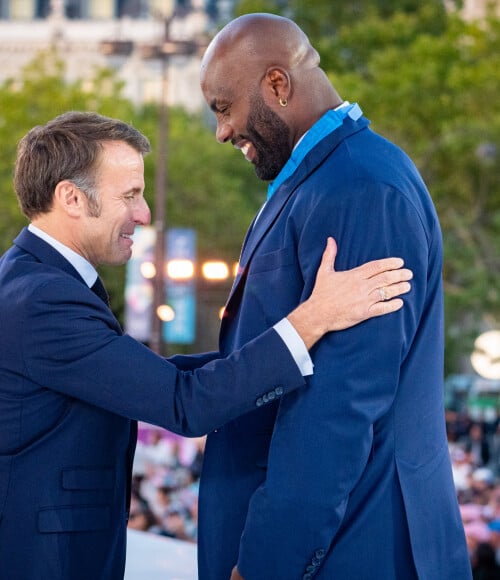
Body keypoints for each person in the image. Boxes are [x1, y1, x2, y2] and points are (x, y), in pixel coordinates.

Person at [0, 111, 411, 580]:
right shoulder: (41, 298)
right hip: (26, 558)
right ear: (71, 198)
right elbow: (185, 403)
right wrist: (312, 320)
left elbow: (159, 378)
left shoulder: (36, 281)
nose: (144, 213)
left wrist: (287, 339)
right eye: (130, 196)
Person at [198, 13, 471, 580]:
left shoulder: (361, 188)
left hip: (352, 550)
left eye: (225, 108)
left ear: (277, 85)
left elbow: (340, 408)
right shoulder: (321, 179)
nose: (222, 132)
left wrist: (266, 563)